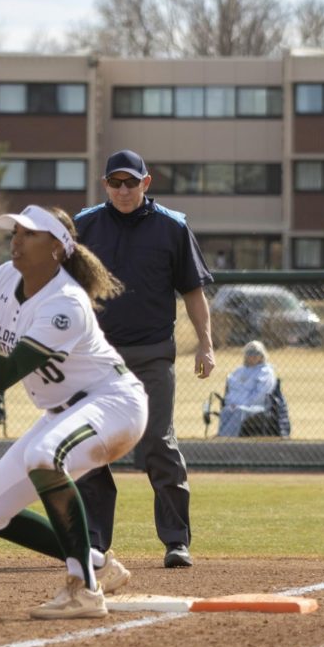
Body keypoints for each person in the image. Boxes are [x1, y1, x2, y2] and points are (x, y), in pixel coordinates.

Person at [0, 205, 148, 619]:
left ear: (58, 249)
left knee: (45, 456)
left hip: (113, 404)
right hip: (63, 414)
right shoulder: (5, 278)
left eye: (30, 234)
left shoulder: (66, 303)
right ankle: (97, 564)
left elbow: (3, 373)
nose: (16, 240)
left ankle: (84, 591)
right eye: (15, 232)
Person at [73, 149, 215, 569]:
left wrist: (205, 344)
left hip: (152, 354)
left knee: (156, 441)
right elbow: (63, 287)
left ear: (145, 183)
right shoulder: (84, 226)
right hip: (97, 357)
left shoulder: (172, 227)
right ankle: (95, 543)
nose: (122, 189)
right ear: (105, 186)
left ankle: (176, 541)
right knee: (93, 445)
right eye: (115, 182)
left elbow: (193, 291)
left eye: (130, 182)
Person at [217, 340, 276, 437]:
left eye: (256, 353)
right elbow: (231, 390)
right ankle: (221, 435)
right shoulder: (239, 371)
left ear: (262, 355)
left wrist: (242, 404)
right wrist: (231, 403)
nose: (252, 356)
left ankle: (225, 439)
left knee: (239, 411)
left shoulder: (266, 372)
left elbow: (261, 394)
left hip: (256, 406)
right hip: (234, 405)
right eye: (249, 353)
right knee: (226, 411)